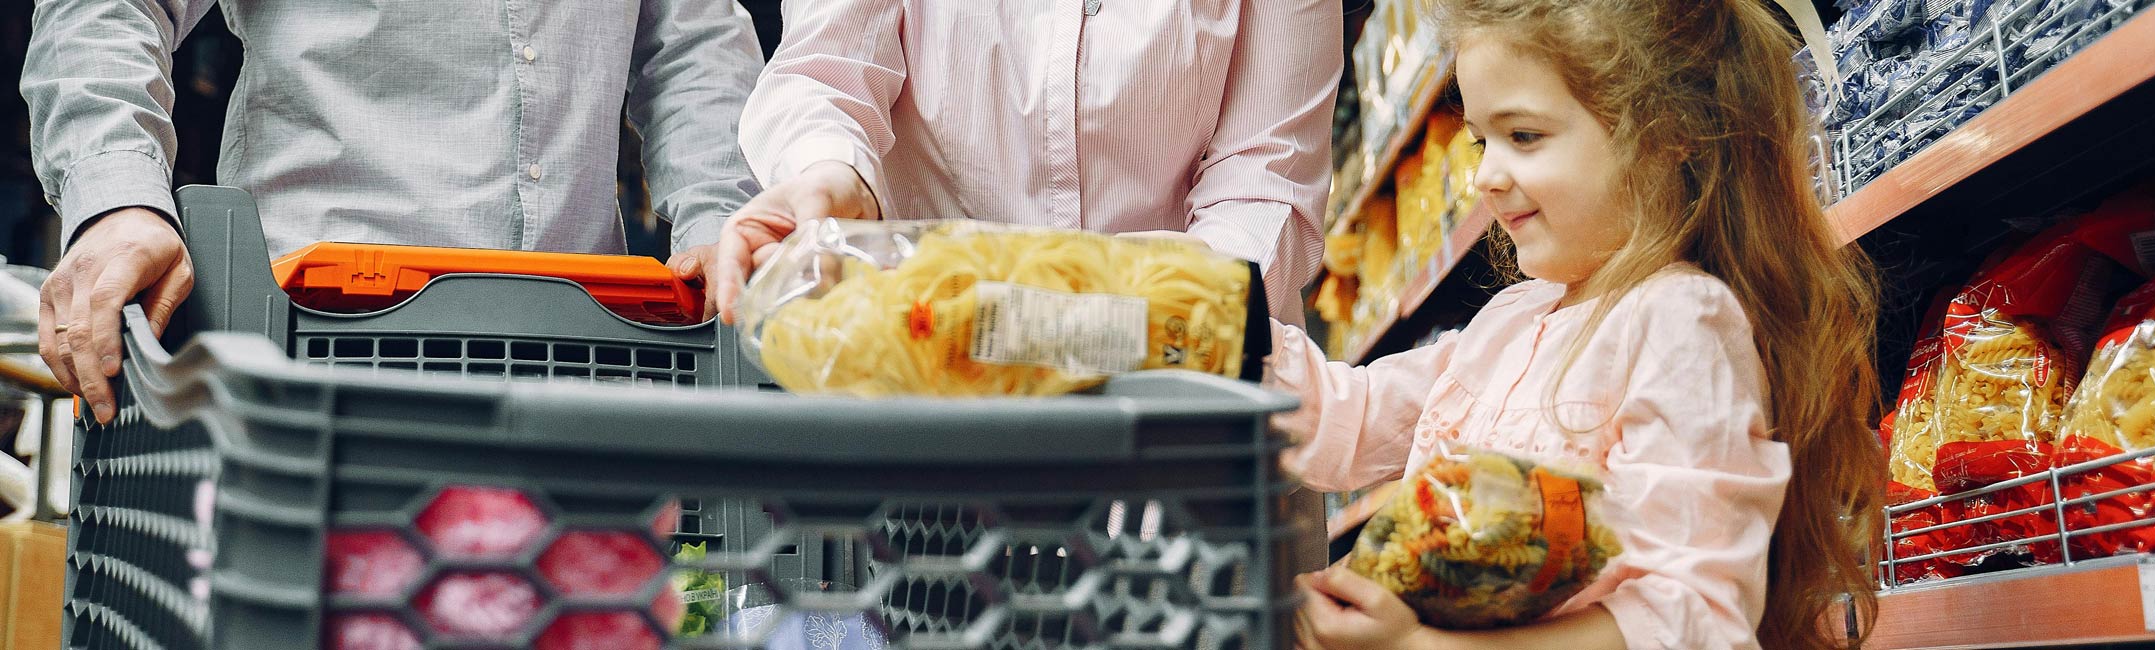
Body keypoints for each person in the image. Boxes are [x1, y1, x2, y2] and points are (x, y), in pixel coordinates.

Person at [1272, 1, 1882, 649]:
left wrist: (1416, 645)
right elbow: (1355, 420)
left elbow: (1693, 617)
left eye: (1524, 137)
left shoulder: (1679, 322)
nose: (1484, 177)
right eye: (1482, 140)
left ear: (1668, 131)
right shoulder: (1514, 320)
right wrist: (1214, 326)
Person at [21, 0, 767, 425]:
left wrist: (723, 222)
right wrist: (118, 199)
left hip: (580, 360)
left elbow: (693, 42)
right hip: (308, 349)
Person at [710, 0, 1340, 325]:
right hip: (928, 382)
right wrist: (831, 174)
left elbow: (1265, 180)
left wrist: (1130, 323)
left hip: (1182, 420)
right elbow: (826, 72)